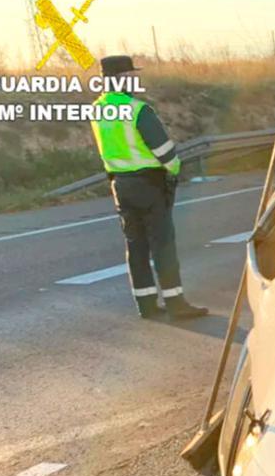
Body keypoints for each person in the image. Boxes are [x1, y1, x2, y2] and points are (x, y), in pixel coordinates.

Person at [89, 55, 207, 320]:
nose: (135, 80)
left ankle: (145, 304)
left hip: (119, 184)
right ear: (122, 78)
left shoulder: (97, 110)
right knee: (163, 244)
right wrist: (174, 169)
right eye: (131, 75)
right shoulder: (138, 110)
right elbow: (164, 151)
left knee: (136, 245)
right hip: (149, 183)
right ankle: (176, 303)